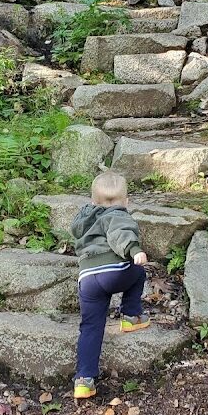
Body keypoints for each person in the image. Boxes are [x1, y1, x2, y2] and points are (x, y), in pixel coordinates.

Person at [70, 171, 150, 399]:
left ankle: (84, 379)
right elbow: (119, 234)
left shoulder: (85, 219)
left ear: (92, 200)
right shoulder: (117, 214)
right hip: (114, 272)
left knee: (91, 327)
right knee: (138, 272)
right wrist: (134, 251)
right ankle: (131, 315)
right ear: (126, 201)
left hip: (87, 279)